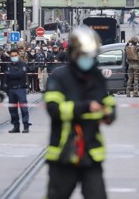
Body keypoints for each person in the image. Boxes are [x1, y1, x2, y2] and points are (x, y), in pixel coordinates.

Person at [44, 26, 116, 199]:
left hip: (91, 152)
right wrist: (86, 107)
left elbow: (106, 100)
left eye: (92, 55)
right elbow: (54, 109)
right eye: (85, 55)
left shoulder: (96, 76)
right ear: (74, 53)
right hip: (64, 153)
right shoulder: (59, 77)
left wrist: (109, 113)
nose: (89, 59)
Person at [5, 49, 31, 133]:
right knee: (12, 109)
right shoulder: (8, 65)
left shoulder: (23, 64)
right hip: (11, 89)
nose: (13, 57)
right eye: (12, 56)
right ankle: (16, 126)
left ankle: (26, 126)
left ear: (18, 56)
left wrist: (10, 74)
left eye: (15, 55)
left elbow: (20, 74)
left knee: (24, 108)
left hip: (20, 88)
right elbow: (6, 75)